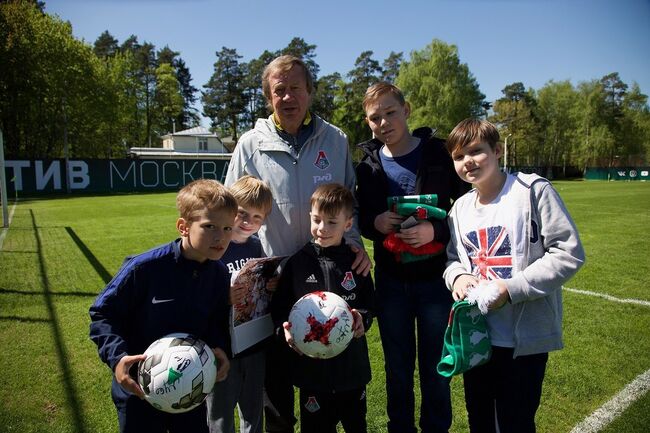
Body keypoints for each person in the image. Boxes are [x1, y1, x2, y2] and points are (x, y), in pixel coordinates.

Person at [225, 54, 371, 433]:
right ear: (268, 97)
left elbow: (347, 198)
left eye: (295, 88)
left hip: (325, 281)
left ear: (309, 92)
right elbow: (228, 208)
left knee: (321, 372)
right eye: (279, 90)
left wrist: (354, 248)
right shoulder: (250, 144)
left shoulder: (334, 139)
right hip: (269, 286)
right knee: (272, 386)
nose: (287, 97)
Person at [443, 118, 586, 433]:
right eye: (458, 156)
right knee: (480, 421)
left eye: (476, 151)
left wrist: (510, 289)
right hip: (477, 340)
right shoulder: (459, 209)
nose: (468, 161)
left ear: (496, 151)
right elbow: (453, 260)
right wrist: (458, 279)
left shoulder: (532, 191)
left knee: (515, 423)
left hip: (522, 342)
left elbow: (568, 252)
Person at [355, 82, 469, 433]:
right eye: (375, 118)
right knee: (398, 368)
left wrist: (436, 231)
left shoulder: (439, 153)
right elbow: (360, 216)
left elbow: (468, 209)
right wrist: (374, 222)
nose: (384, 123)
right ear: (368, 123)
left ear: (406, 111)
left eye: (390, 113)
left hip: (436, 281)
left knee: (437, 366)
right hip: (391, 284)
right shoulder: (368, 165)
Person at [89, 179, 235, 433]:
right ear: (183, 227)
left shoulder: (220, 274)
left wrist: (220, 347)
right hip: (139, 391)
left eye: (227, 228)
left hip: (190, 385)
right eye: (209, 226)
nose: (220, 237)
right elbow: (103, 314)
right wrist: (118, 359)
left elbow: (216, 319)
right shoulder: (144, 268)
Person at [271, 183, 374, 433]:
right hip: (312, 373)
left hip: (351, 370)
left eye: (331, 222)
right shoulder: (296, 264)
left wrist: (362, 318)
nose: (322, 228)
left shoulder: (356, 262)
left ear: (347, 224)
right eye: (317, 220)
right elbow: (280, 310)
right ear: (310, 217)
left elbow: (369, 303)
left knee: (356, 425)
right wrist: (283, 330)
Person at [206, 175, 274, 433]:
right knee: (221, 411)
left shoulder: (258, 246)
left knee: (253, 408)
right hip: (221, 344)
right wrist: (224, 296)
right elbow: (199, 293)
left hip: (253, 342)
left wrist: (269, 285)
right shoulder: (215, 246)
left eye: (257, 218)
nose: (248, 222)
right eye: (242, 214)